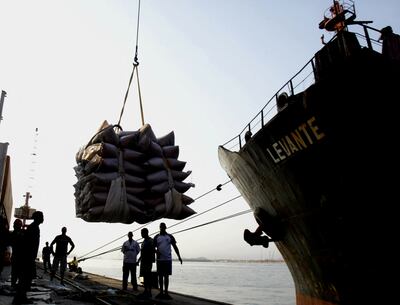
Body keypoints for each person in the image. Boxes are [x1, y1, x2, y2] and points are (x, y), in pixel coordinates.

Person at [13, 210, 44, 305]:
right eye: (41, 216)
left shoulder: (34, 227)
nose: (43, 218)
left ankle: (21, 298)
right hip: (27, 257)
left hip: (28, 257)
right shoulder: (33, 228)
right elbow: (29, 244)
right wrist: (30, 257)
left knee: (26, 279)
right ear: (37, 218)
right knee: (25, 279)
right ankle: (18, 299)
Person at [154, 222, 182, 300]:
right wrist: (156, 252)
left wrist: (179, 257)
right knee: (160, 276)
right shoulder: (156, 237)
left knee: (166, 276)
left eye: (163, 227)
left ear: (165, 227)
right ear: (159, 228)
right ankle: (161, 292)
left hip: (167, 259)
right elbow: (152, 247)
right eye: (161, 227)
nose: (162, 228)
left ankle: (166, 292)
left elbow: (175, 247)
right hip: (159, 260)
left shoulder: (170, 236)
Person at [137, 228, 155, 299]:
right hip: (143, 261)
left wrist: (152, 259)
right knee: (141, 277)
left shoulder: (151, 241)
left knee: (148, 277)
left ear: (146, 233)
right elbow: (142, 253)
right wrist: (138, 260)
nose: (141, 235)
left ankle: (149, 291)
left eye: (142, 233)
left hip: (148, 261)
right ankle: (145, 290)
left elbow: (153, 250)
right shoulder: (143, 242)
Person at [10, 219, 24, 288]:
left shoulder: (13, 234)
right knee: (17, 272)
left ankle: (14, 284)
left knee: (15, 272)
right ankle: (15, 285)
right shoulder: (22, 233)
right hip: (18, 256)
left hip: (16, 256)